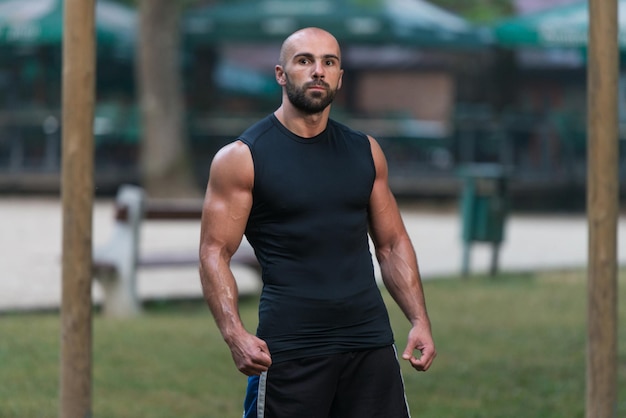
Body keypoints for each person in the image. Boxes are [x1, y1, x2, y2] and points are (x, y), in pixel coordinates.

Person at [198, 27, 436, 418]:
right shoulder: (242, 157)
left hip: (370, 344)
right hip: (290, 350)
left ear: (340, 76)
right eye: (304, 60)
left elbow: (392, 244)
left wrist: (419, 320)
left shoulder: (365, 151)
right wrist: (234, 334)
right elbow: (214, 252)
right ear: (280, 73)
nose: (318, 71)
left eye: (329, 62)